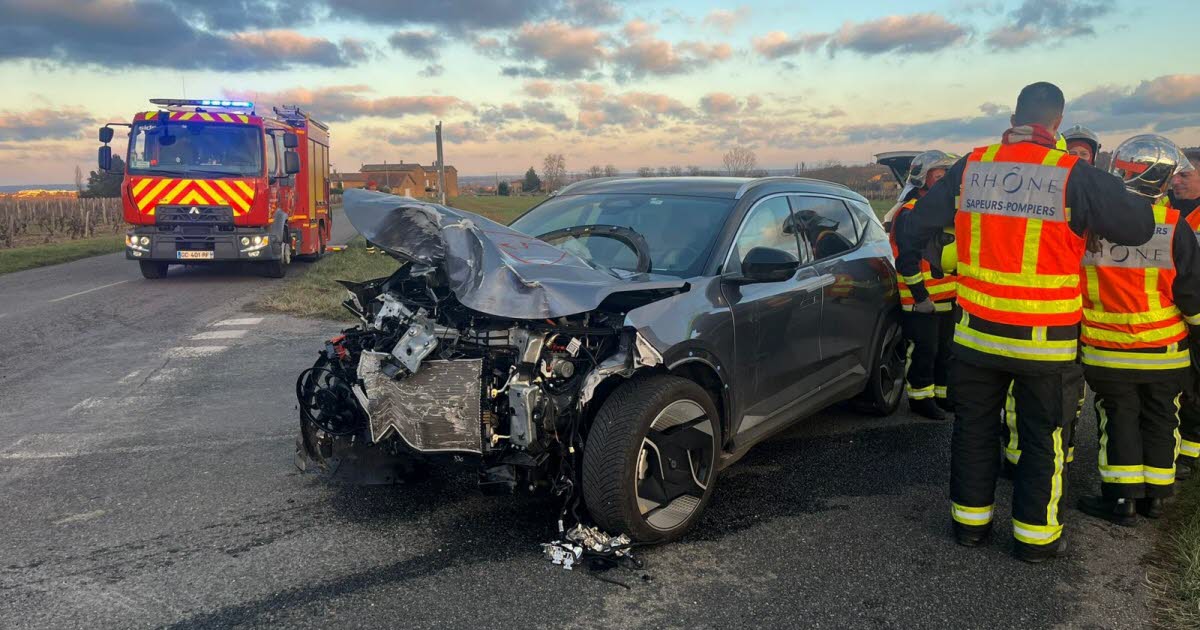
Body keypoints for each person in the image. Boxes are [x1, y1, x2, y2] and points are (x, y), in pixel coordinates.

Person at [896, 81, 1155, 563]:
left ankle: (970, 526)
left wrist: (944, 256)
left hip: (976, 334)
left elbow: (914, 227)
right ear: (1057, 123)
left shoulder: (972, 166)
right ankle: (1035, 540)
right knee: (1042, 437)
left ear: (1014, 118)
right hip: (1045, 344)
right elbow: (1140, 227)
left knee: (974, 429)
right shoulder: (1074, 173)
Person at [1075, 135, 1200, 525]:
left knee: (1118, 419)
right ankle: (1156, 498)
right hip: (1164, 349)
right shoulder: (1174, 225)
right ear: (1162, 180)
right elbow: (1191, 292)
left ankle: (1122, 500)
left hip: (1106, 348)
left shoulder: (1090, 224)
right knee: (1162, 417)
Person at [889, 150, 959, 419]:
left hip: (948, 296)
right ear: (922, 179)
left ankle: (942, 395)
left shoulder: (947, 212)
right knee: (923, 351)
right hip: (921, 300)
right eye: (939, 177)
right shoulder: (909, 213)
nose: (944, 182)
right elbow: (906, 260)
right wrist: (920, 296)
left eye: (946, 177)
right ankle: (920, 399)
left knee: (946, 350)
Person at [1173, 148, 1200, 479]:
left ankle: (1189, 454)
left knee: (1195, 387)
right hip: (1170, 313)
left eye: (1185, 175)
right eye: (1175, 175)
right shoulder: (1164, 209)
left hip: (1196, 312)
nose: (1177, 181)